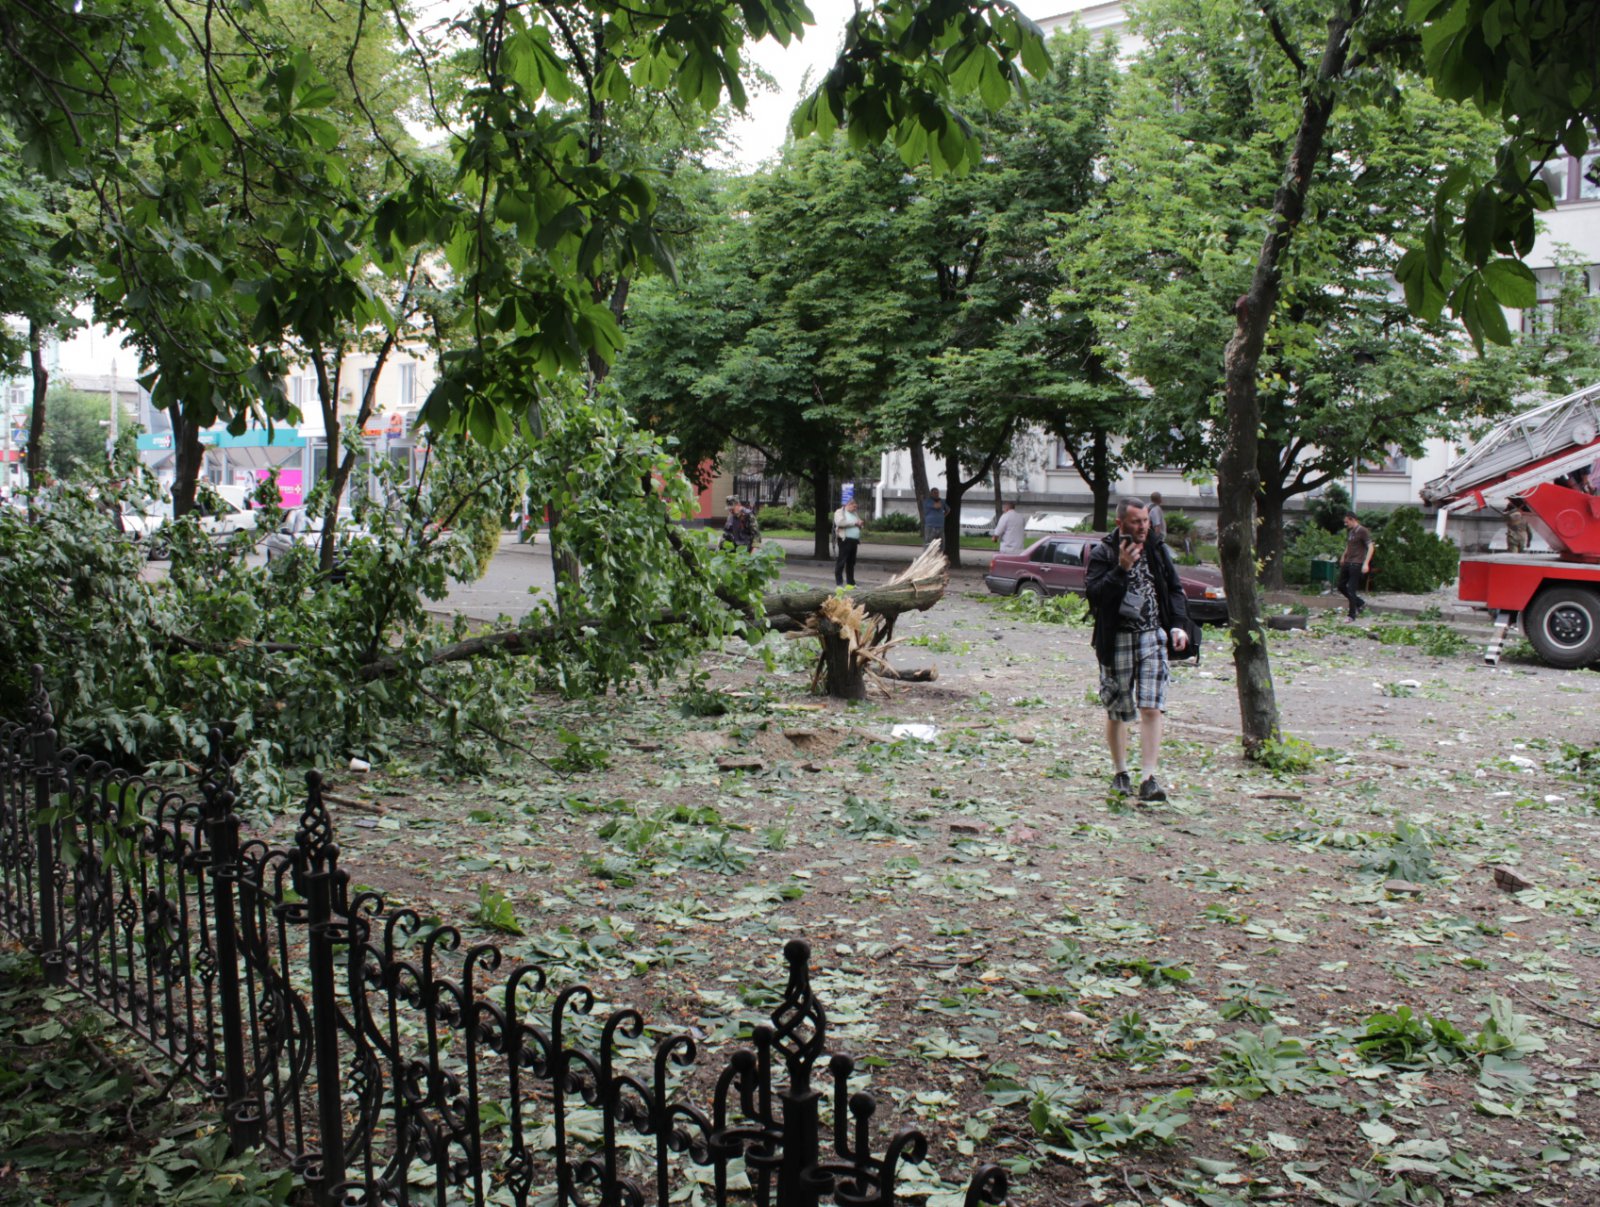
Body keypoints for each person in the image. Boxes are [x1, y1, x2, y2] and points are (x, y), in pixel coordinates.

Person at [1085, 497, 1190, 802]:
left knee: (1151, 707)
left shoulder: (1156, 548)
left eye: (1145, 520)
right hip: (1116, 638)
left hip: (1151, 636)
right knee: (1118, 710)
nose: (1144, 526)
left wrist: (1178, 624)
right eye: (1136, 521)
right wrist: (1121, 568)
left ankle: (1149, 778)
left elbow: (1173, 587)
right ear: (1120, 523)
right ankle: (1121, 774)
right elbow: (1095, 596)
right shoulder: (1103, 552)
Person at [1337, 511, 1373, 620]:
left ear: (1352, 519)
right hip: (1348, 562)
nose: (1346, 524)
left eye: (1347, 522)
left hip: (1356, 563)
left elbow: (1370, 547)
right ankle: (1360, 603)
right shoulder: (1351, 532)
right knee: (1341, 586)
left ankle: (1352, 615)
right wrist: (1344, 556)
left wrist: (1366, 563)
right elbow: (1349, 545)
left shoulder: (1362, 531)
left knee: (1351, 588)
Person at [832, 497, 864, 586]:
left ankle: (851, 583)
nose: (855, 508)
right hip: (845, 540)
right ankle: (839, 583)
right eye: (854, 507)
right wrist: (855, 523)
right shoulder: (839, 512)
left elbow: (858, 523)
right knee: (841, 562)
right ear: (848, 504)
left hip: (854, 541)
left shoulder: (854, 513)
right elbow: (840, 523)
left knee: (851, 562)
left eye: (856, 507)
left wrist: (860, 524)